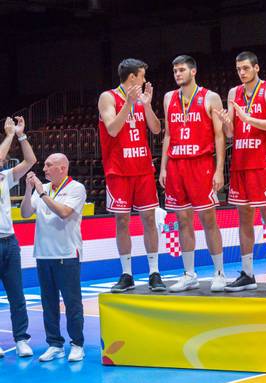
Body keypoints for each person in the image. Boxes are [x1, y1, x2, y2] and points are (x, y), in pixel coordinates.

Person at [217, 51, 266, 292]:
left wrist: (249, 118)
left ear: (257, 68)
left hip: (264, 161)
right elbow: (232, 133)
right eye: (238, 69)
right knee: (244, 218)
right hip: (241, 162)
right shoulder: (234, 93)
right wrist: (227, 123)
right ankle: (247, 273)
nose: (242, 73)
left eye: (246, 68)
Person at [159, 55, 227, 293]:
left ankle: (219, 273)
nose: (177, 74)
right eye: (175, 70)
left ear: (193, 71)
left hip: (201, 164)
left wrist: (219, 170)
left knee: (209, 220)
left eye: (181, 70)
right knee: (182, 221)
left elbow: (220, 136)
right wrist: (163, 167)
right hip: (177, 165)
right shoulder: (169, 97)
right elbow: (167, 134)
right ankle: (189, 274)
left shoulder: (210, 97)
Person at [99, 59, 164, 293]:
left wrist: (146, 105)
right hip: (119, 170)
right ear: (133, 77)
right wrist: (128, 104)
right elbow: (113, 129)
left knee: (149, 220)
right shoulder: (108, 97)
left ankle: (154, 272)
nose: (145, 80)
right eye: (142, 76)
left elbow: (156, 129)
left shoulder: (141, 100)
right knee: (122, 221)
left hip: (143, 168)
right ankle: (126, 274)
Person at [20, 154, 86, 362]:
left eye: (49, 165)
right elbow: (24, 213)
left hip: (66, 254)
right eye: (45, 165)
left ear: (62, 168)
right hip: (43, 254)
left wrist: (40, 192)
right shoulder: (44, 189)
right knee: (48, 302)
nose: (45, 168)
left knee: (72, 303)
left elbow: (64, 212)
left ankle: (77, 344)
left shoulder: (76, 188)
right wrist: (30, 189)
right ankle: (55, 344)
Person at [0, 116, 36, 358]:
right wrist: (9, 134)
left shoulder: (4, 178)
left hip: (9, 243)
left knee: (17, 294)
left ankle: (21, 339)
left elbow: (30, 161)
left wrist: (21, 135)